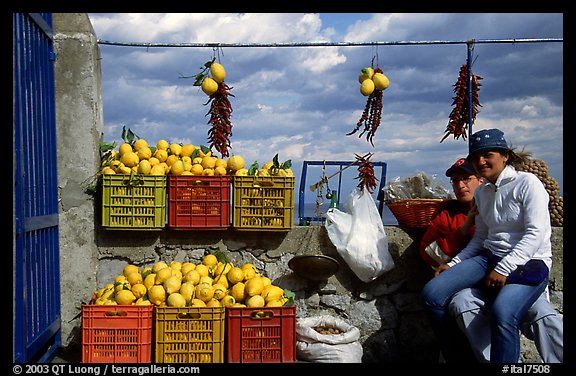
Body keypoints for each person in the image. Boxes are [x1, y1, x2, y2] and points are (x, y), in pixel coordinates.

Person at [420, 128, 555, 363]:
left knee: (503, 313)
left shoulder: (527, 184)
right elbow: (481, 238)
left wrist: (504, 268)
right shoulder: (483, 192)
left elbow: (536, 234)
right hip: (490, 256)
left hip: (529, 262)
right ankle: (460, 358)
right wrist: (453, 264)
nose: (481, 161)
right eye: (476, 157)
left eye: (487, 155)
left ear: (505, 156)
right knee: (432, 293)